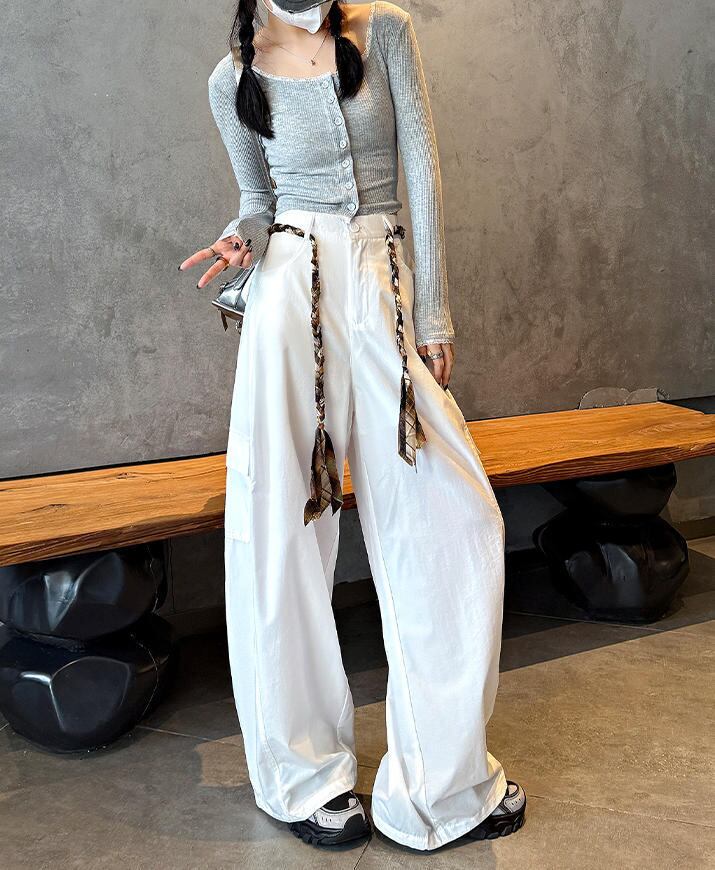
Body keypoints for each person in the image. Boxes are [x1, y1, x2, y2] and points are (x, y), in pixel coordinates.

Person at [180, 0, 526, 852]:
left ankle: (439, 784)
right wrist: (239, 237)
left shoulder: (385, 30)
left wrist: (433, 313)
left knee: (451, 517)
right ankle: (304, 777)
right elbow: (258, 199)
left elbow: (423, 173)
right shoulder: (231, 77)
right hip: (285, 296)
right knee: (279, 528)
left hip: (379, 280)